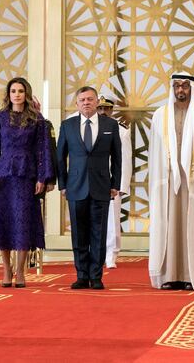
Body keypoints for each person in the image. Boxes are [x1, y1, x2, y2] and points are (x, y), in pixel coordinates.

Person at [0, 77, 55, 288]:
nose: (17, 94)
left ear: (26, 94)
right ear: (8, 94)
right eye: (13, 91)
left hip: (26, 177)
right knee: (3, 223)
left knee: (23, 224)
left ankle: (20, 271)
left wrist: (43, 177)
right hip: (2, 178)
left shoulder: (37, 120)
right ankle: (6, 269)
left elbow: (43, 150)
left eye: (21, 91)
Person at [148, 73, 194, 290]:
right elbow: (154, 151)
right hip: (169, 182)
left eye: (185, 86)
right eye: (177, 86)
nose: (181, 90)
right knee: (169, 226)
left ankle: (192, 276)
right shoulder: (161, 115)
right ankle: (170, 275)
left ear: (192, 88)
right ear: (172, 88)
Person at [57, 86, 122, 290]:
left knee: (99, 234)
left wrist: (115, 184)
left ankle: (96, 276)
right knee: (79, 234)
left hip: (102, 187)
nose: (86, 102)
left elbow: (117, 157)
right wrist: (62, 184)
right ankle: (81, 275)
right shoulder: (67, 125)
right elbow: (60, 157)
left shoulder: (110, 125)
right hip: (75, 187)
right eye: (82, 99)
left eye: (90, 99)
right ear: (76, 104)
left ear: (97, 102)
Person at [96, 96, 133, 269]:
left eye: (106, 109)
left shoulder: (122, 130)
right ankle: (95, 253)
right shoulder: (90, 127)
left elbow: (125, 160)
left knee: (112, 220)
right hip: (94, 180)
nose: (103, 112)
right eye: (100, 108)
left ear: (112, 110)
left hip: (111, 183)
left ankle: (111, 255)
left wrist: (121, 185)